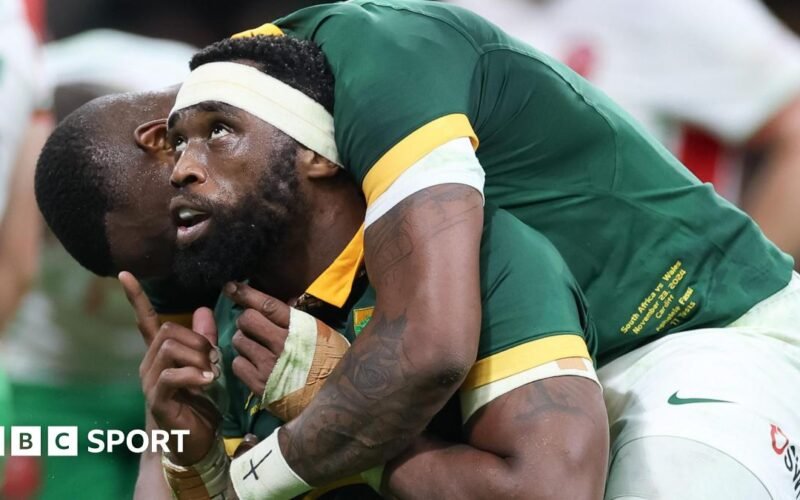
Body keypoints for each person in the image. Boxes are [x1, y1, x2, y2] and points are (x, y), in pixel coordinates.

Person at [36, 2, 800, 498]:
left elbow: (428, 349)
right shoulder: (220, 242)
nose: (197, 277)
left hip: (695, 329)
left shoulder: (378, 59)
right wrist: (193, 455)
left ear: (165, 142)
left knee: (678, 476)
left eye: (181, 233)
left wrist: (261, 469)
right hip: (539, 378)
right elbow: (182, 451)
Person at [451, 0, 800, 266]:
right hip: (524, 297)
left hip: (664, 295)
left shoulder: (680, 10)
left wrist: (750, 282)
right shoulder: (451, 14)